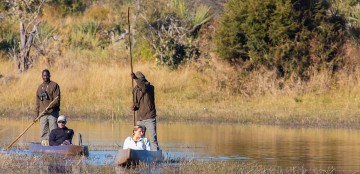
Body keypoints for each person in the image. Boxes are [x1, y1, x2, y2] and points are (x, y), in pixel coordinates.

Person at [131, 71, 159, 151]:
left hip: (150, 118)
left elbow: (143, 87)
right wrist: (134, 107)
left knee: (153, 139)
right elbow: (136, 103)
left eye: (141, 80)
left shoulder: (149, 87)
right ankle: (141, 154)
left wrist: (135, 78)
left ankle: (155, 155)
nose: (141, 82)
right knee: (139, 139)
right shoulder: (135, 90)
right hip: (140, 119)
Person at [34, 69, 61, 146]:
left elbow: (57, 99)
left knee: (54, 130)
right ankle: (45, 146)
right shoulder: (39, 88)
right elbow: (37, 103)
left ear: (50, 75)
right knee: (44, 131)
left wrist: (50, 107)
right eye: (44, 76)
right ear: (42, 76)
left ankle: (55, 145)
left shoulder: (54, 85)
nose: (45, 77)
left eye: (47, 75)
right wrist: (36, 115)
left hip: (53, 113)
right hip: (43, 114)